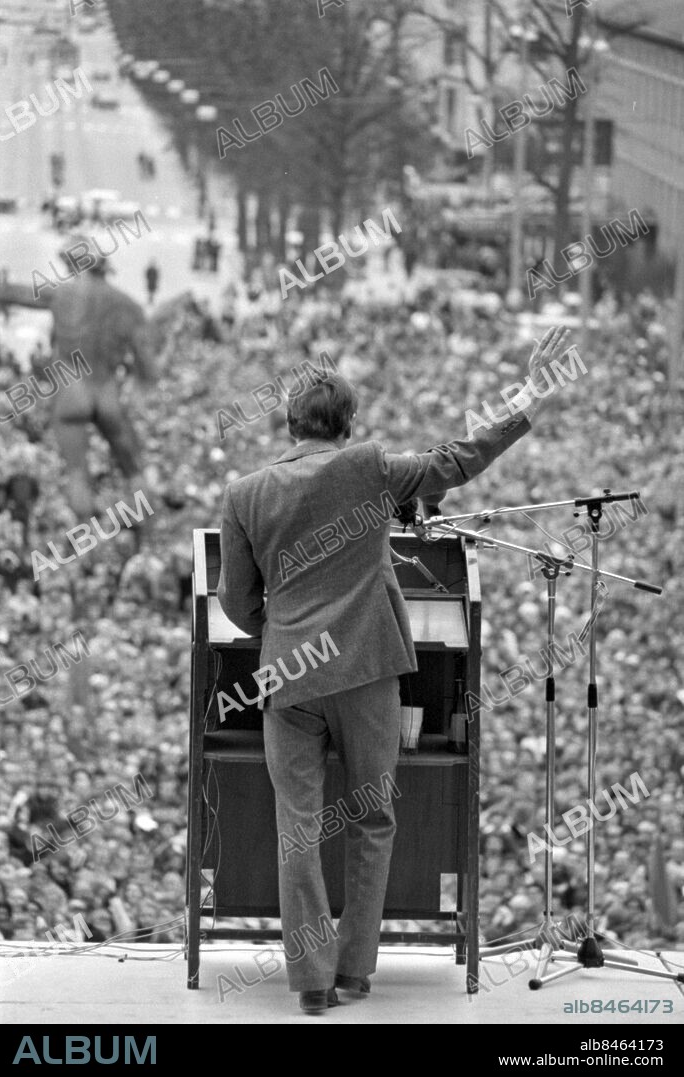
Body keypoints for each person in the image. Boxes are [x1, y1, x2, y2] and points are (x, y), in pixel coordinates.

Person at [216, 324, 571, 1014]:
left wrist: (281, 635)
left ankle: (311, 984)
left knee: (298, 826)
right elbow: (456, 461)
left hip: (286, 678)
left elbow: (234, 600)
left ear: (289, 424)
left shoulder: (244, 491)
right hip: (367, 669)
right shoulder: (371, 466)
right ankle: (354, 971)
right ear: (349, 425)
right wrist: (530, 396)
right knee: (371, 817)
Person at [0, 239, 156, 519]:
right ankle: (144, 529)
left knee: (77, 472)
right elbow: (148, 369)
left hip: (72, 392)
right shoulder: (128, 305)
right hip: (107, 392)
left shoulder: (61, 294)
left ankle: (84, 543)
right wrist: (137, 395)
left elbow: (11, 293)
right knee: (133, 467)